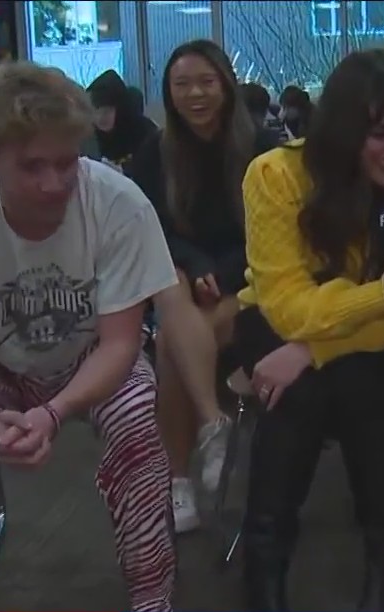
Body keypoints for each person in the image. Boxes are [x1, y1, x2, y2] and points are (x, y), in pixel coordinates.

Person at [0, 61, 180, 612]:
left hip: (91, 356)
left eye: (66, 162)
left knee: (138, 411)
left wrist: (53, 411)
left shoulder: (118, 203)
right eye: (32, 167)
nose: (54, 184)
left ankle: (152, 609)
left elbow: (121, 343)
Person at [235, 49, 384, 612]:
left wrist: (310, 349)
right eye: (379, 134)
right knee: (324, 391)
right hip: (276, 323)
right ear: (342, 130)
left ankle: (370, 567)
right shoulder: (276, 175)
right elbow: (285, 307)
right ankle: (340, 567)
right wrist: (375, 296)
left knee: (338, 382)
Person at [125, 40, 282, 534]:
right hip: (182, 285)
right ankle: (213, 423)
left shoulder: (262, 146)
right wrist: (194, 267)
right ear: (169, 94)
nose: (195, 94)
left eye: (206, 82)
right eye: (182, 85)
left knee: (172, 344)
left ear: (226, 86)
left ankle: (176, 481)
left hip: (252, 284)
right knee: (170, 286)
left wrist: (226, 273)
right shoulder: (155, 151)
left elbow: (273, 229)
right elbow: (148, 227)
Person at [84, 69, 157, 170]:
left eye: (106, 111)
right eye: (96, 111)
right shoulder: (87, 137)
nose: (100, 118)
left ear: (121, 110)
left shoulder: (146, 133)